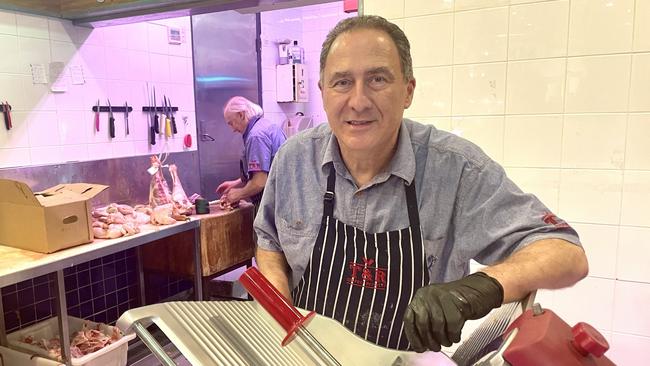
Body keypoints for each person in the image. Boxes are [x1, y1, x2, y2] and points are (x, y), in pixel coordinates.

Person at [254, 15, 588, 353]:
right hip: (306, 356)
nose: (358, 101)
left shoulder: (457, 170)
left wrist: (477, 288)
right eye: (342, 82)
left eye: (378, 79)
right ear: (323, 92)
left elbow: (566, 253)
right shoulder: (293, 159)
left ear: (408, 91)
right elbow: (270, 242)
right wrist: (280, 316)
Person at [216, 96, 286, 209]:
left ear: (241, 115)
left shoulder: (256, 136)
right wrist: (237, 182)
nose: (232, 129)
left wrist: (238, 194)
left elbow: (259, 182)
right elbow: (266, 169)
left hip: (274, 205)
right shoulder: (266, 125)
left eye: (231, 123)